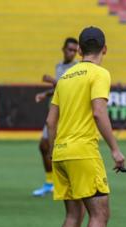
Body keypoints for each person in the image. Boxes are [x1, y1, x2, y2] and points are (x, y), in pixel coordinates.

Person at [46, 26, 126, 227]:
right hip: (83, 152)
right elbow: (98, 113)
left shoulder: (66, 76)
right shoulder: (100, 73)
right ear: (105, 49)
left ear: (79, 50)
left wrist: (58, 148)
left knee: (73, 215)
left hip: (61, 152)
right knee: (100, 212)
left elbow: (50, 121)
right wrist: (115, 149)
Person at [33, 37, 79, 197]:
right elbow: (59, 89)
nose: (72, 53)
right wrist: (44, 94)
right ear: (63, 49)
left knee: (63, 149)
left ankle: (68, 183)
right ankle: (49, 183)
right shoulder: (59, 66)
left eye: (75, 50)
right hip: (55, 111)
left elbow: (68, 87)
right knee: (44, 146)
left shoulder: (77, 68)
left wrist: (52, 80)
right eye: (70, 49)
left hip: (67, 114)